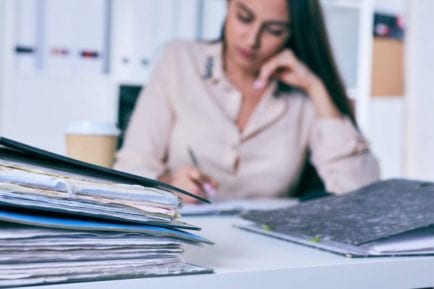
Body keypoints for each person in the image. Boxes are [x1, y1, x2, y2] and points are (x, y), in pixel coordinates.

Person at [114, 0, 380, 203]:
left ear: (291, 34)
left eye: (274, 30)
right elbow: (131, 168)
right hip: (180, 240)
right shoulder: (179, 60)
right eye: (244, 18)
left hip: (272, 254)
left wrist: (316, 89)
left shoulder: (303, 93)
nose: (252, 40)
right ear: (228, 6)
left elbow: (360, 195)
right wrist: (167, 182)